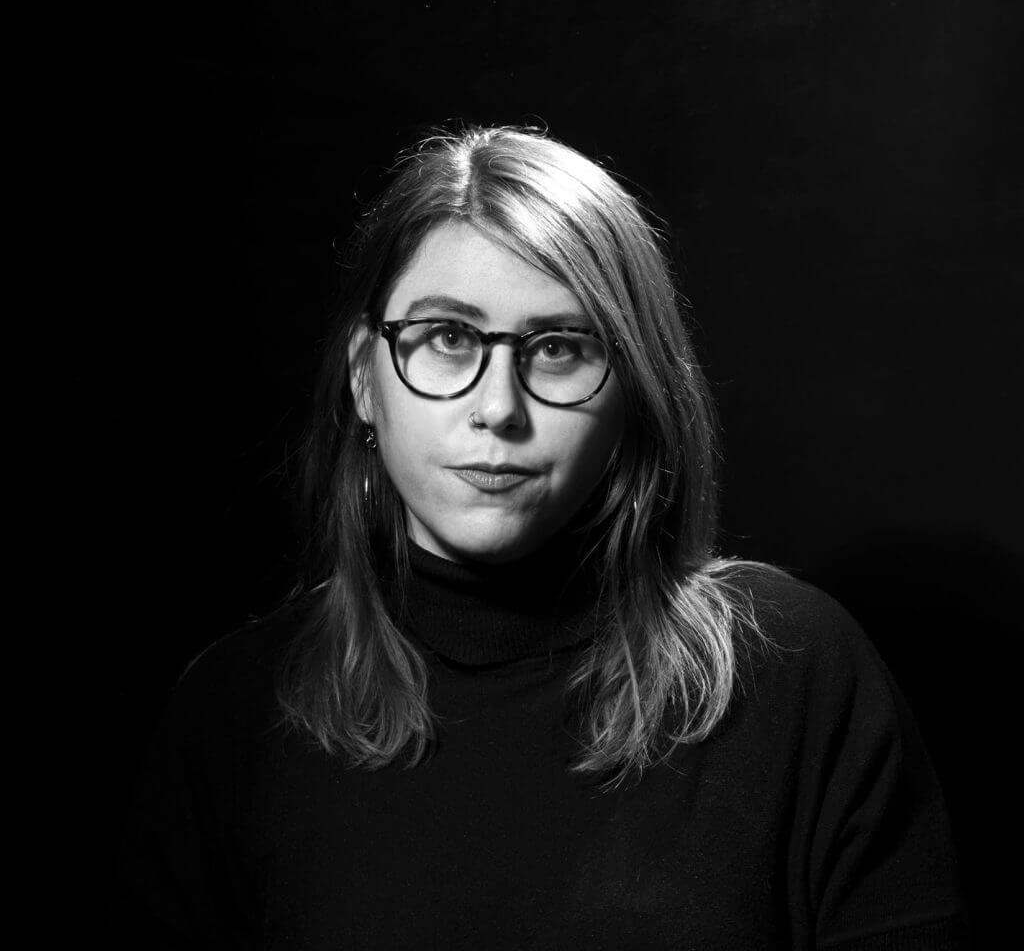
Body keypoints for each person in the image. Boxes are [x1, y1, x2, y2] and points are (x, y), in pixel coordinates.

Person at [109, 125, 972, 949]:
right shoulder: (234, 713)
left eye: (557, 347)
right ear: (365, 382)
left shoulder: (795, 672)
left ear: (633, 392)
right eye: (447, 338)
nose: (498, 408)